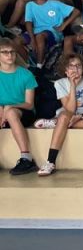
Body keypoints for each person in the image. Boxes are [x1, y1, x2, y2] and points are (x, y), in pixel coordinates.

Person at [33, 52, 83, 176]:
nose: (75, 69)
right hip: (68, 114)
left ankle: (57, 124)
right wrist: (73, 85)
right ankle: (50, 162)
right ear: (65, 70)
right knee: (64, 116)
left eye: (78, 65)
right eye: (71, 66)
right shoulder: (60, 83)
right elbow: (70, 110)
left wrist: (82, 116)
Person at [0, 39, 38, 175]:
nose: (9, 55)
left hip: (23, 112)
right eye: (5, 52)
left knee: (11, 112)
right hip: (2, 111)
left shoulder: (26, 74)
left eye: (12, 52)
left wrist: (9, 107)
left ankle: (26, 159)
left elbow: (29, 104)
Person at [23, 0, 79, 64]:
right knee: (17, 41)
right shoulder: (30, 5)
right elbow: (28, 22)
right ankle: (28, 65)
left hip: (53, 32)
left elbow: (76, 11)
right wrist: (32, 39)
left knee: (40, 37)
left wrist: (64, 25)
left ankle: (39, 66)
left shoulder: (55, 3)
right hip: (36, 30)